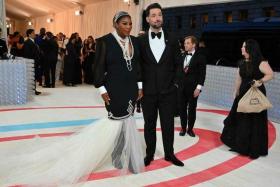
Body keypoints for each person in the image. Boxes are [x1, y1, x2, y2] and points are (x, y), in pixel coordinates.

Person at [0, 12, 144, 186]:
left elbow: (138, 66)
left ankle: (126, 156)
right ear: (115, 24)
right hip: (113, 89)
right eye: (124, 23)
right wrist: (101, 89)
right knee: (115, 121)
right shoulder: (104, 41)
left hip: (130, 89)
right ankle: (116, 154)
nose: (128, 27)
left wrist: (140, 86)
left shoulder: (135, 41)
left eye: (130, 23)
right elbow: (98, 68)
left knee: (128, 120)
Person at [138, 3, 184, 167]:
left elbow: (179, 63)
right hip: (148, 93)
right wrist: (139, 87)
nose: (157, 18)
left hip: (168, 92)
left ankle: (169, 154)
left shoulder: (172, 38)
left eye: (160, 15)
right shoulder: (141, 40)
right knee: (149, 125)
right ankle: (149, 154)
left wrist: (176, 84)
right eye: (154, 15)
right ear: (148, 19)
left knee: (168, 125)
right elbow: (138, 65)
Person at [220, 39, 274, 159]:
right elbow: (238, 79)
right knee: (241, 119)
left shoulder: (261, 62)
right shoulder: (241, 62)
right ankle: (240, 145)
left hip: (255, 93)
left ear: (249, 48)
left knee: (254, 121)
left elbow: (270, 74)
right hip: (243, 93)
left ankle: (253, 148)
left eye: (243, 46)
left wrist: (260, 81)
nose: (241, 48)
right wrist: (236, 91)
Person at [178, 36, 207, 137]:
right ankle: (183, 128)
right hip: (181, 88)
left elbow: (202, 74)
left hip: (193, 89)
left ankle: (190, 129)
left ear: (194, 45)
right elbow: (178, 72)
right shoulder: (181, 56)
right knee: (182, 109)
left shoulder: (201, 57)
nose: (185, 45)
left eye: (187, 43)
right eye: (185, 43)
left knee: (192, 109)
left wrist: (198, 88)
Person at [23, 29, 42, 95]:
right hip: (31, 62)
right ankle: (31, 90)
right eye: (33, 33)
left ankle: (34, 90)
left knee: (33, 76)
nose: (35, 34)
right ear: (29, 34)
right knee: (31, 77)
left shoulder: (33, 42)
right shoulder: (27, 42)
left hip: (34, 62)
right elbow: (27, 54)